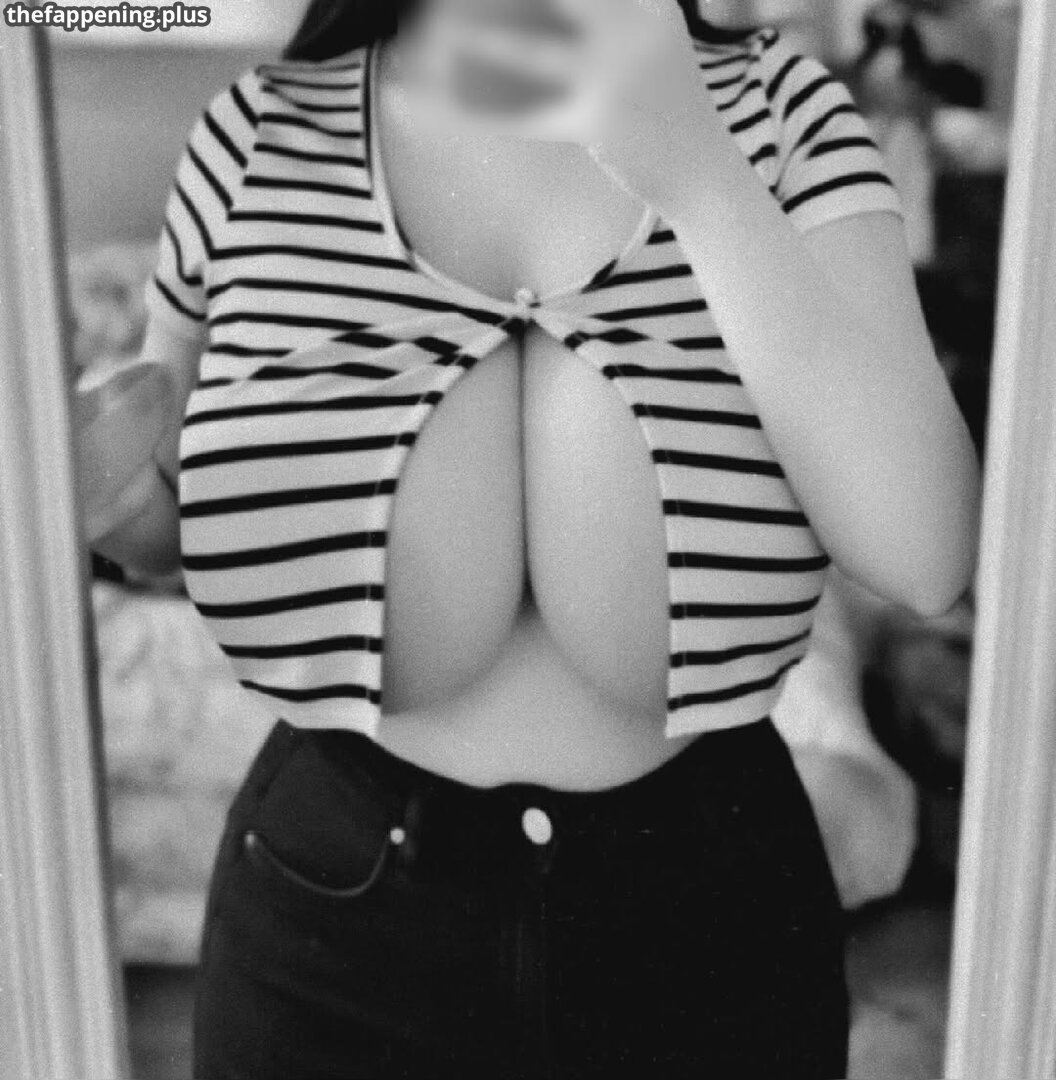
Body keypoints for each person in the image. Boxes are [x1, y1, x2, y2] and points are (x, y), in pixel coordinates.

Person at [78, 0, 979, 1076]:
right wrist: (107, 501)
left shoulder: (784, 114)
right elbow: (181, 511)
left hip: (712, 937)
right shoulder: (253, 135)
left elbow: (926, 556)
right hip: (328, 936)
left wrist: (704, 179)